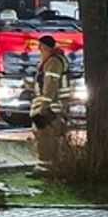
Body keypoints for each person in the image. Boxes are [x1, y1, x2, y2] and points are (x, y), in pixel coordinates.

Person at [30, 34, 72, 168]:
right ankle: (52, 163)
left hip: (50, 107)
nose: (39, 50)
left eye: (40, 47)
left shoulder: (52, 62)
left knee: (44, 134)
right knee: (50, 134)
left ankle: (45, 164)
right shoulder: (56, 60)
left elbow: (50, 84)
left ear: (44, 47)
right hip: (54, 105)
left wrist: (44, 105)